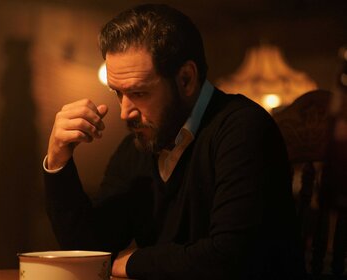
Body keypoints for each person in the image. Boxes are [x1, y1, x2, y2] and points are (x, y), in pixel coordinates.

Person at [43, 4, 304, 279]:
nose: (124, 112)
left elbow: (232, 258)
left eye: (140, 93)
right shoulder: (139, 145)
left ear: (186, 79)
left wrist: (135, 263)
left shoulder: (244, 129)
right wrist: (58, 158)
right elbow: (91, 251)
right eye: (118, 93)